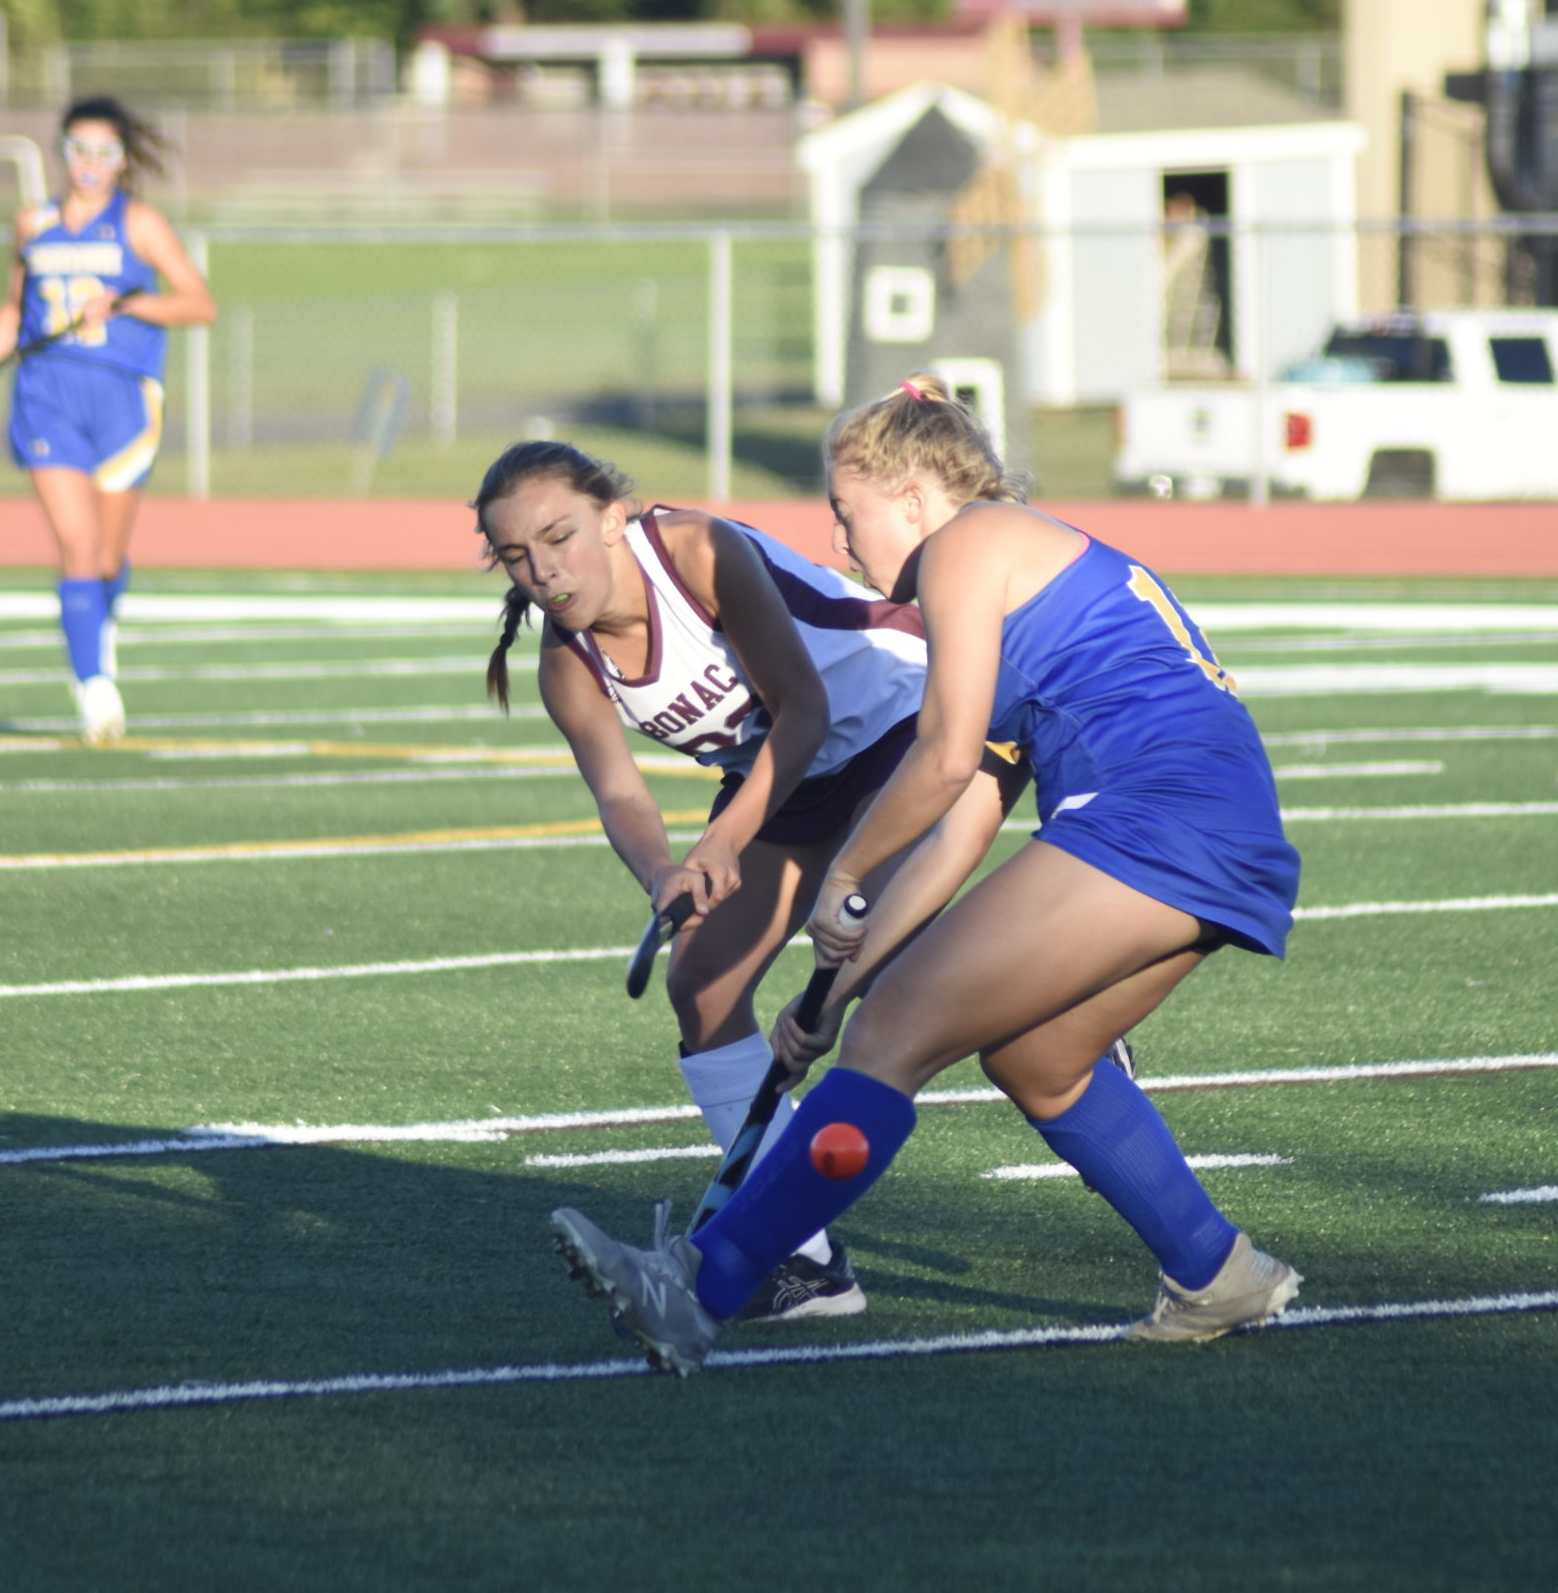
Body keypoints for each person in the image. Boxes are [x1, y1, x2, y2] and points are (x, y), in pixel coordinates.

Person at [549, 376, 1304, 1373]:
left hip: (1157, 814)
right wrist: (837, 984)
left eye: (845, 511)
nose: (838, 543)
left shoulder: (968, 543)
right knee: (1037, 1060)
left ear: (913, 495)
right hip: (1211, 825)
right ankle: (1218, 1274)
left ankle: (700, 1287)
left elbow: (941, 754)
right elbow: (961, 825)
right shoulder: (1001, 568)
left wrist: (844, 878)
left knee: (895, 1035)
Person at [476, 439, 1003, 1322]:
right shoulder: (566, 665)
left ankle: (1061, 1006)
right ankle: (805, 1265)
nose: (545, 571)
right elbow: (618, 791)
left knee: (877, 973)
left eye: (559, 536)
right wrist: (664, 869)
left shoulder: (693, 550)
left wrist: (722, 838)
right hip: (793, 778)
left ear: (612, 516)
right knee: (701, 982)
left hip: (898, 720)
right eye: (518, 556)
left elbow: (807, 708)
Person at [0, 96, 217, 744]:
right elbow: (13, 313)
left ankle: (98, 629)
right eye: (78, 151)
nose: (89, 165)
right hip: (46, 397)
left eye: (104, 153)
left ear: (122, 161)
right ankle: (94, 687)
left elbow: (200, 304)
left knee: (109, 556)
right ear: (60, 154)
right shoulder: (33, 224)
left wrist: (126, 307)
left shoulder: (138, 225)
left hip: (123, 402)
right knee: (77, 546)